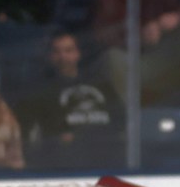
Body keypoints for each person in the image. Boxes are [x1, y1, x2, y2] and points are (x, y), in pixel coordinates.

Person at [19, 29, 123, 170]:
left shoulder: (100, 84)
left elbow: (121, 119)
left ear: (77, 54)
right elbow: (32, 135)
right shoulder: (40, 92)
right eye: (57, 51)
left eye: (68, 50)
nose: (63, 56)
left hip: (106, 162)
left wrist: (89, 136)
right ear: (50, 56)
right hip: (64, 166)